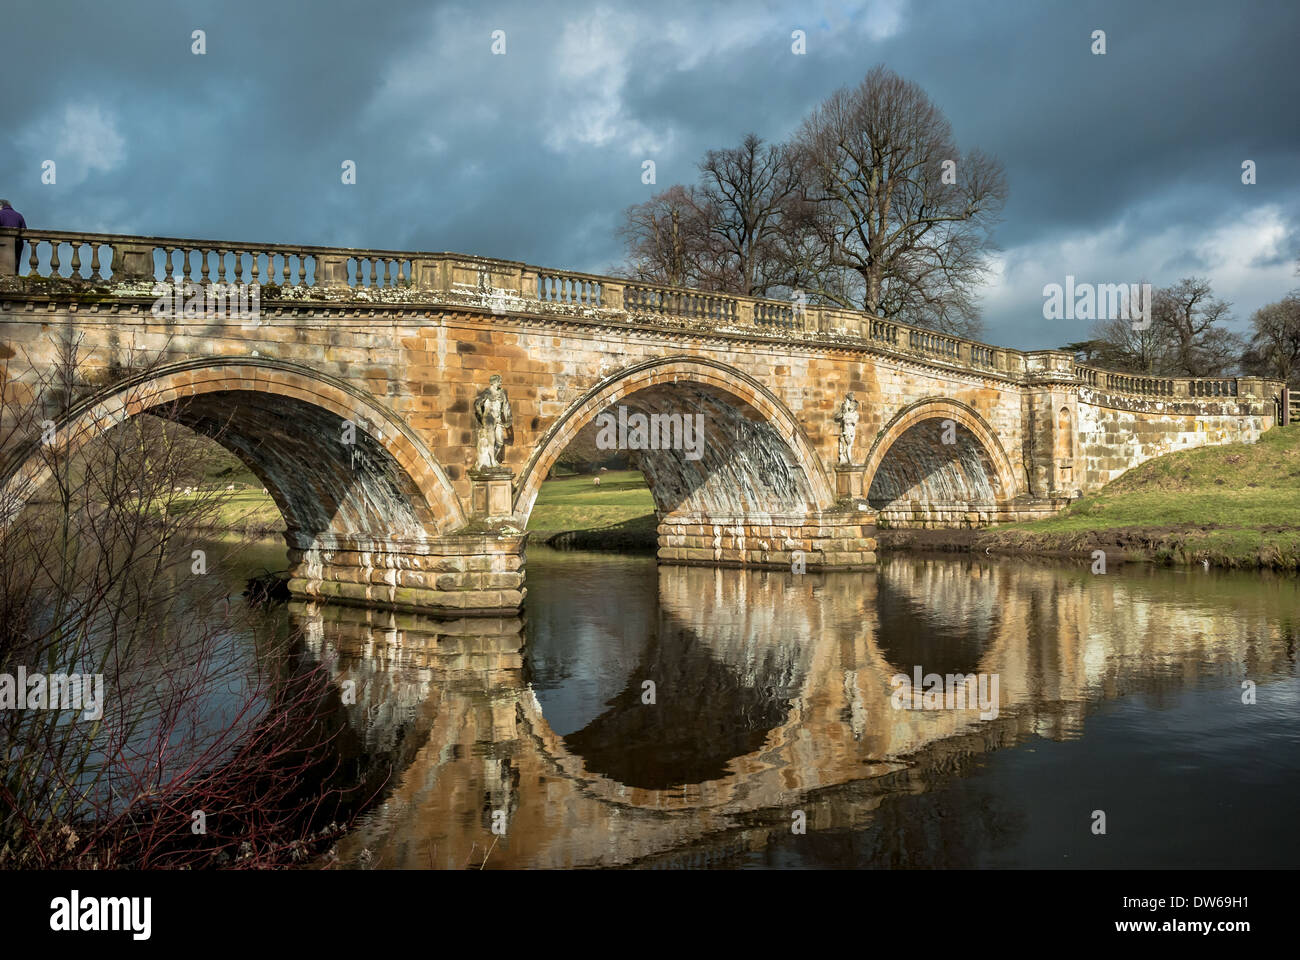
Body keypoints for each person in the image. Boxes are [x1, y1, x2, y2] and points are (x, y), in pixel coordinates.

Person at [0, 200, 25, 271]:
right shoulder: (19, 215)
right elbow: (25, 231)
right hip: (17, 244)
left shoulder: (0, 214)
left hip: (3, 244)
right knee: (14, 266)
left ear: (1, 206)